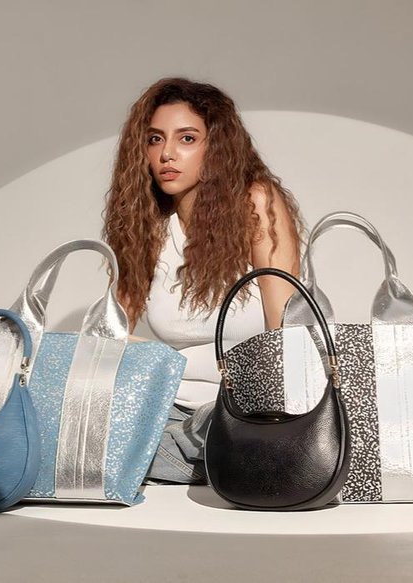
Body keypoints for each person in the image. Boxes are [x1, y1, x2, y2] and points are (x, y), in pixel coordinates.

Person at [102, 77, 305, 484]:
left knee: (206, 433)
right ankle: (190, 461)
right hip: (167, 408)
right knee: (84, 424)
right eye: (155, 139)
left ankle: (179, 459)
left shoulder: (255, 205)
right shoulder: (146, 228)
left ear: (216, 147)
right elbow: (111, 334)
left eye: (187, 138)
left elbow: (286, 334)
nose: (167, 154)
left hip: (242, 409)